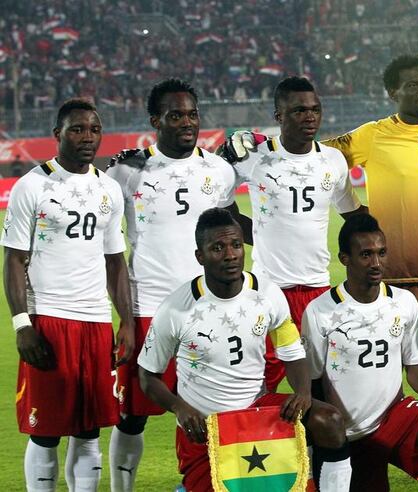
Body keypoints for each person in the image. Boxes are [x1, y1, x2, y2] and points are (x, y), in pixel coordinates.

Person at [220, 55, 418, 324]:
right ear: (393, 92)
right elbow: (305, 152)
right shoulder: (371, 135)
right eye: (413, 84)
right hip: (392, 274)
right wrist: (257, 141)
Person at [137, 208, 353, 492]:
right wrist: (180, 408)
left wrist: (302, 392)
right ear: (200, 256)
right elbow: (147, 376)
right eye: (217, 248)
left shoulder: (267, 294)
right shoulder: (176, 309)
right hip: (207, 425)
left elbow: (292, 353)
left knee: (330, 420)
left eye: (236, 245)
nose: (230, 255)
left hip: (258, 412)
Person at [105, 78, 238, 492]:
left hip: (208, 309)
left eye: (192, 114)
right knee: (133, 414)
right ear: (155, 120)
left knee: (215, 408)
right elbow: (109, 250)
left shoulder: (218, 170)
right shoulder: (125, 171)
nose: (186, 122)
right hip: (148, 308)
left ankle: (214, 483)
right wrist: (125, 319)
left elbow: (230, 229)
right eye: (175, 115)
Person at [2, 99, 133, 492]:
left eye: (94, 129)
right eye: (77, 129)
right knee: (46, 431)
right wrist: (22, 323)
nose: (87, 137)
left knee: (89, 428)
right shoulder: (33, 185)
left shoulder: (109, 189)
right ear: (58, 135)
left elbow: (115, 261)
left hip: (95, 323)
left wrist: (124, 322)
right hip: (49, 319)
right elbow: (14, 260)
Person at [221, 76, 366, 392]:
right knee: (258, 385)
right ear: (279, 116)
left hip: (318, 291)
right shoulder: (254, 158)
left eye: (315, 109)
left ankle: (318, 443)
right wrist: (258, 235)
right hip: (268, 292)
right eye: (299, 110)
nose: (310, 116)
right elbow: (222, 205)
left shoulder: (332, 161)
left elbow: (353, 215)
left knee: (324, 386)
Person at [303, 213, 418, 491]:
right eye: (366, 255)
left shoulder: (404, 303)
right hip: (348, 432)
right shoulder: (320, 311)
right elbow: (313, 381)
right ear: (344, 258)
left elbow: (414, 365)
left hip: (393, 418)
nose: (376, 263)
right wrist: (320, 441)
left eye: (381, 253)